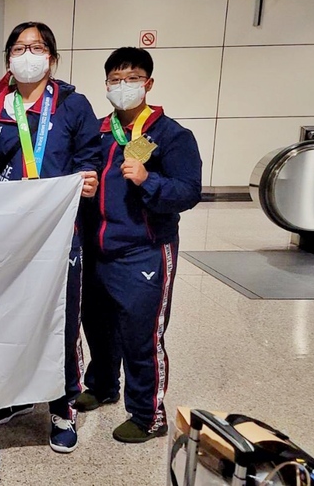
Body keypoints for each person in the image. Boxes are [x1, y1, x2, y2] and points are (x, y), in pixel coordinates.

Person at [0, 21, 102, 454]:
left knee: (60, 320)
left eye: (36, 47)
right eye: (18, 48)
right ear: (8, 59)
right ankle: (17, 394)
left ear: (51, 57)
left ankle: (63, 406)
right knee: (11, 316)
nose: (27, 55)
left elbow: (89, 156)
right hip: (11, 233)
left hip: (58, 231)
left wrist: (88, 178)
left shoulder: (73, 105)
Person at [76, 47, 201, 443]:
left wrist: (149, 180)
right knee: (97, 326)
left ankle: (149, 415)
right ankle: (102, 385)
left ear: (148, 83)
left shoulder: (170, 135)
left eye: (131, 79)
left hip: (143, 250)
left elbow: (189, 191)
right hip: (97, 249)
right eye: (115, 80)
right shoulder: (98, 131)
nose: (123, 86)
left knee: (141, 334)